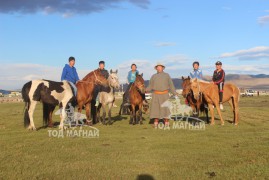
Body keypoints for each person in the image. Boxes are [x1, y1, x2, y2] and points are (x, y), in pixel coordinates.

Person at [146, 63, 178, 128]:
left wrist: (175, 93)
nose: (158, 68)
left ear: (163, 68)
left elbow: (171, 85)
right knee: (155, 109)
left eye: (160, 67)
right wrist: (144, 90)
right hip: (155, 95)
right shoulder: (153, 76)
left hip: (165, 95)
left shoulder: (167, 75)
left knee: (166, 109)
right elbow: (150, 86)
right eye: (157, 67)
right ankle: (155, 123)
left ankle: (166, 123)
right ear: (156, 68)